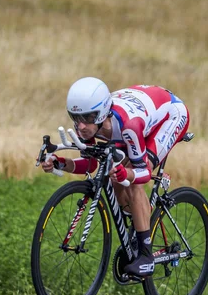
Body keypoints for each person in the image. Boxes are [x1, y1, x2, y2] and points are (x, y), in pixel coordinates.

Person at [41, 77, 190, 277]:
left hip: (170, 115)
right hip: (142, 106)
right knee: (115, 177)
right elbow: (92, 164)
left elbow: (144, 174)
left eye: (88, 118)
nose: (82, 126)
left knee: (132, 180)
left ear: (102, 113)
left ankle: (146, 256)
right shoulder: (88, 123)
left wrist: (127, 173)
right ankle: (137, 223)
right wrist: (60, 163)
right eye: (76, 118)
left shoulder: (128, 125)